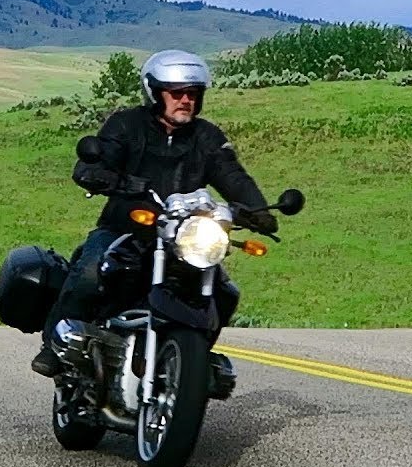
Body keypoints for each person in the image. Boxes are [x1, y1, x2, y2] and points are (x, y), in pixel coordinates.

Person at [31, 49, 278, 377]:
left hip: (182, 239)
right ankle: (54, 346)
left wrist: (258, 211)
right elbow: (95, 162)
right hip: (124, 228)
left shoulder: (206, 137)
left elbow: (232, 176)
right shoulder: (126, 125)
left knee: (224, 292)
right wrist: (105, 175)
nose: (186, 101)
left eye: (192, 94)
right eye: (177, 94)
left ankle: (192, 363)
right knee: (91, 270)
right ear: (154, 93)